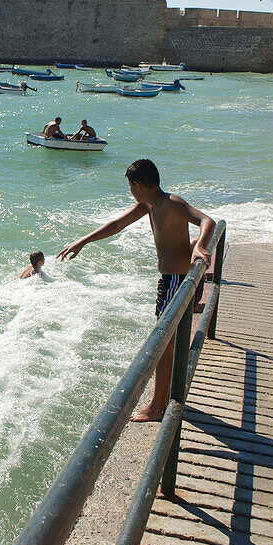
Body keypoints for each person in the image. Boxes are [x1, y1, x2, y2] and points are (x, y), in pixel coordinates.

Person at [57, 159, 215, 422]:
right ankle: (164, 397)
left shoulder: (171, 203)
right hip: (169, 280)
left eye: (131, 186)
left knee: (163, 344)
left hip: (177, 280)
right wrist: (83, 241)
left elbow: (206, 220)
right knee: (166, 342)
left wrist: (200, 246)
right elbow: (118, 224)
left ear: (138, 185)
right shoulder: (148, 205)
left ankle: (157, 406)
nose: (130, 191)